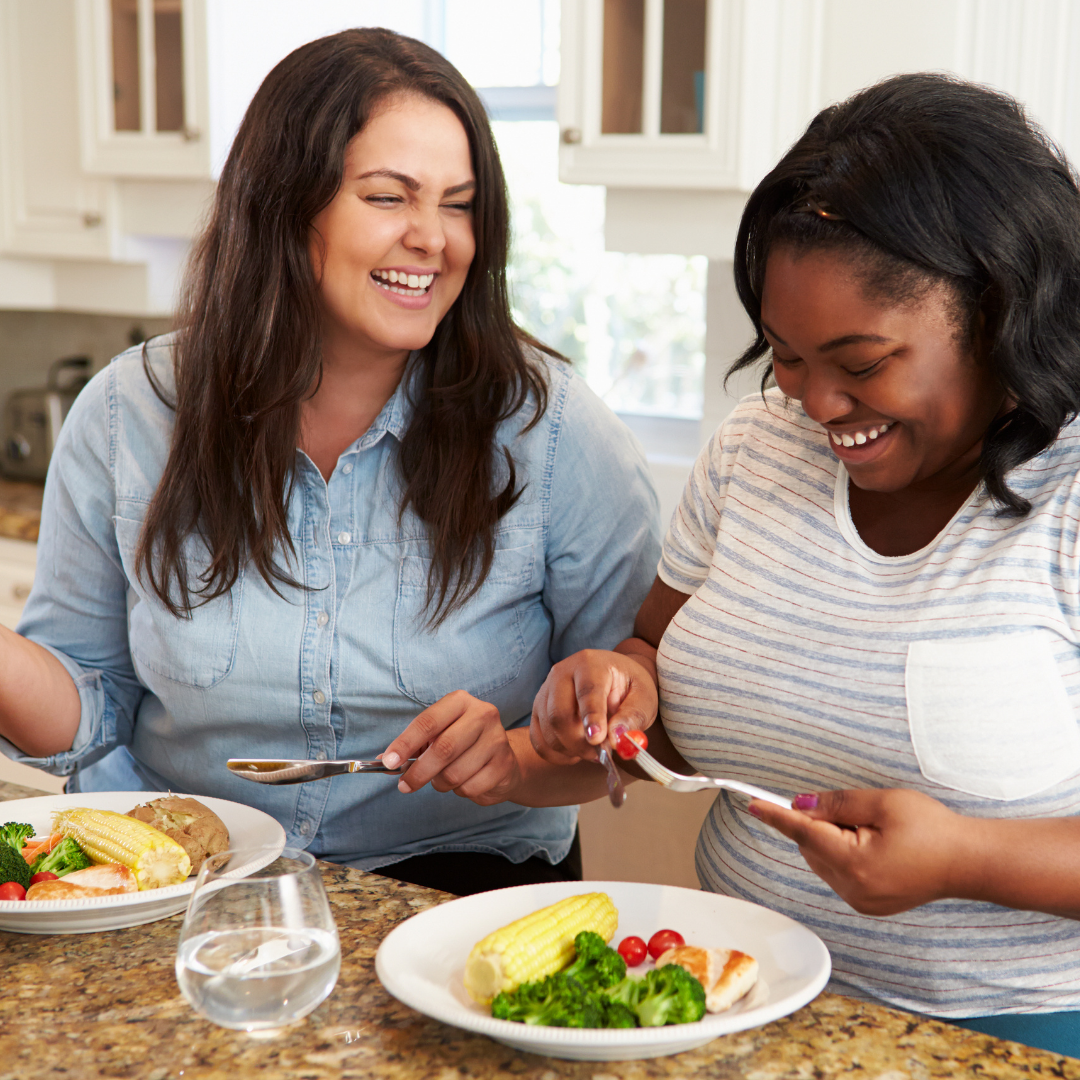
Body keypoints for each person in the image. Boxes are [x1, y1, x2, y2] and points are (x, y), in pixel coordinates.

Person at [0, 29, 660, 896]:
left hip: (454, 896)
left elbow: (628, 740)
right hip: (185, 887)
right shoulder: (130, 414)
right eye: (390, 197)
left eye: (459, 205)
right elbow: (90, 711)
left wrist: (519, 754)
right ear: (282, 204)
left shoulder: (554, 430)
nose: (433, 238)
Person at [528, 73, 1080, 1055]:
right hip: (733, 1001)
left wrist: (969, 859)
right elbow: (660, 663)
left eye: (861, 363)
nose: (817, 404)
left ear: (999, 309)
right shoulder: (755, 448)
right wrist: (621, 688)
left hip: (1010, 1036)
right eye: (785, 354)